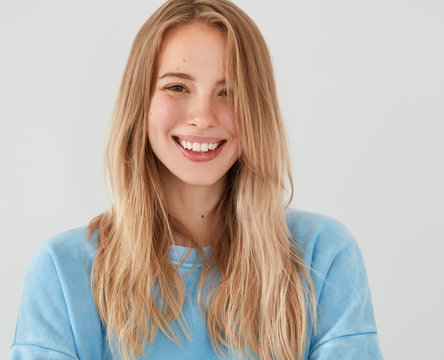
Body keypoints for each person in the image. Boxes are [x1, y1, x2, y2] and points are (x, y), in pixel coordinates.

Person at [9, 0, 383, 359]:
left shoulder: (323, 257)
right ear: (140, 103)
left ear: (258, 110)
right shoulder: (63, 272)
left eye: (229, 92)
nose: (202, 116)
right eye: (177, 87)